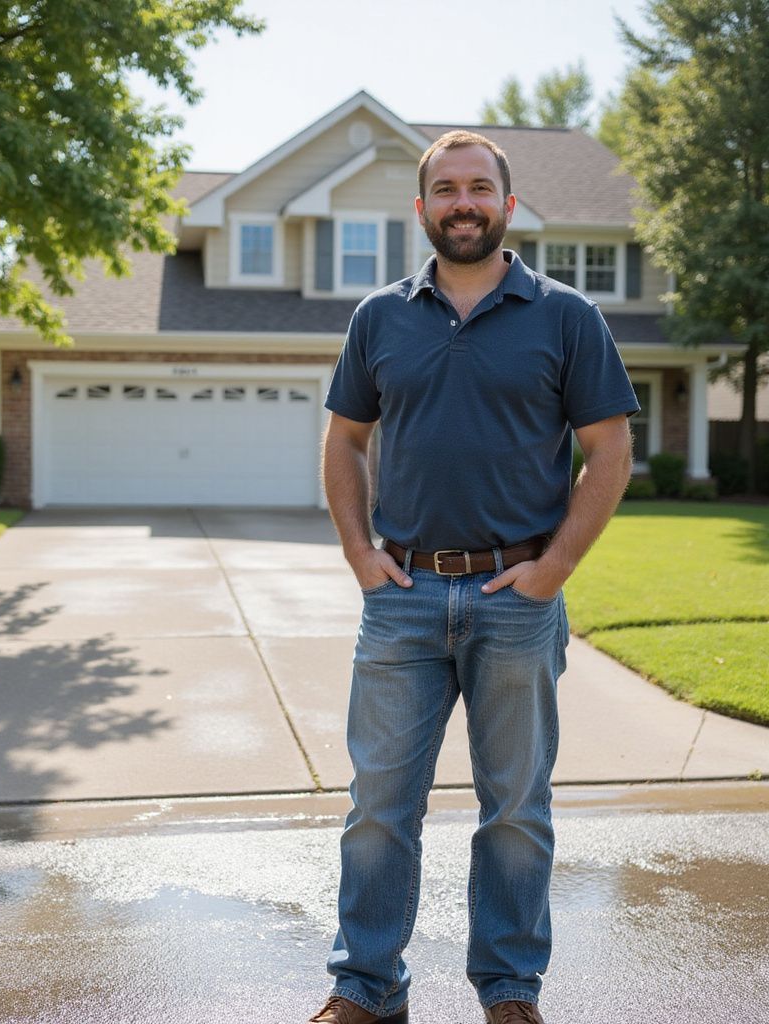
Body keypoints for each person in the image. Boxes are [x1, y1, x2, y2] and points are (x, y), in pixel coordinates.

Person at [309, 130, 640, 1024]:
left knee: (516, 810)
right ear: (421, 209)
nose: (463, 202)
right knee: (379, 805)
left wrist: (555, 568)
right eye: (446, 189)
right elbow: (344, 438)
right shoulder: (379, 316)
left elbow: (609, 448)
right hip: (403, 600)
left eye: (479, 188)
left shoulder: (566, 315)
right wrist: (359, 554)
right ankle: (366, 987)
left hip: (516, 602)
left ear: (508, 204)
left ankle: (508, 989)